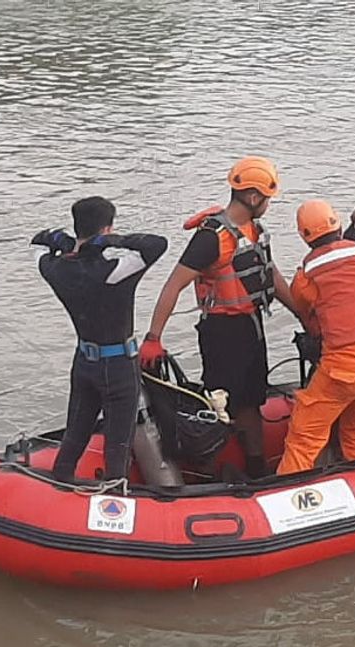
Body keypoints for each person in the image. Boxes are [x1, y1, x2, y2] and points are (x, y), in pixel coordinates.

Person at [139, 157, 296, 478]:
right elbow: (174, 285)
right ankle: (206, 475)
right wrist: (154, 337)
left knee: (251, 401)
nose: (268, 205)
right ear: (253, 197)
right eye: (267, 198)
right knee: (218, 405)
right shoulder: (211, 238)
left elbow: (271, 277)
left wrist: (306, 316)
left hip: (252, 328)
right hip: (222, 333)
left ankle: (255, 468)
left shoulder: (254, 231)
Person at [33, 196, 168, 482]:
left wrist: (67, 244)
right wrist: (113, 242)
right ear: (107, 229)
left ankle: (60, 491)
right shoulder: (113, 271)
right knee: (117, 445)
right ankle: (114, 504)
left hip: (83, 362)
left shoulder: (56, 270)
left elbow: (39, 252)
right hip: (118, 365)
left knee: (74, 436)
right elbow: (157, 244)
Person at [276, 200, 355, 475]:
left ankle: (287, 498)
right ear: (339, 225)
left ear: (304, 237)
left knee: (304, 437)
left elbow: (309, 317)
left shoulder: (305, 276)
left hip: (343, 372)